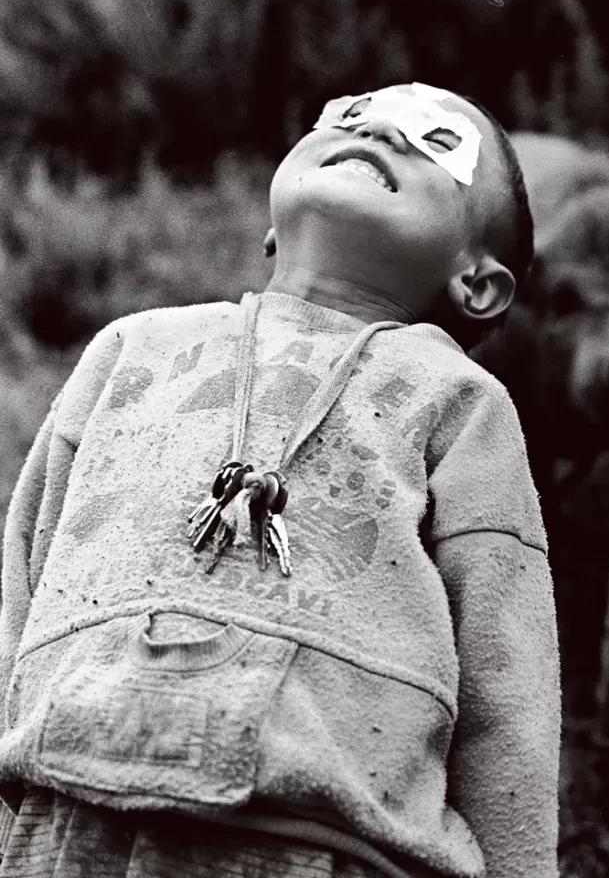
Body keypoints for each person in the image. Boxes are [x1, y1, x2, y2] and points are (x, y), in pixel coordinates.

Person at [0, 83, 560, 878]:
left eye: (436, 140)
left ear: (478, 282)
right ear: (271, 224)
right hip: (66, 823)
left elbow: (509, 685)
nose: (378, 130)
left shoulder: (460, 401)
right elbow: (23, 578)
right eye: (347, 117)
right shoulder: (132, 348)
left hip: (322, 846)